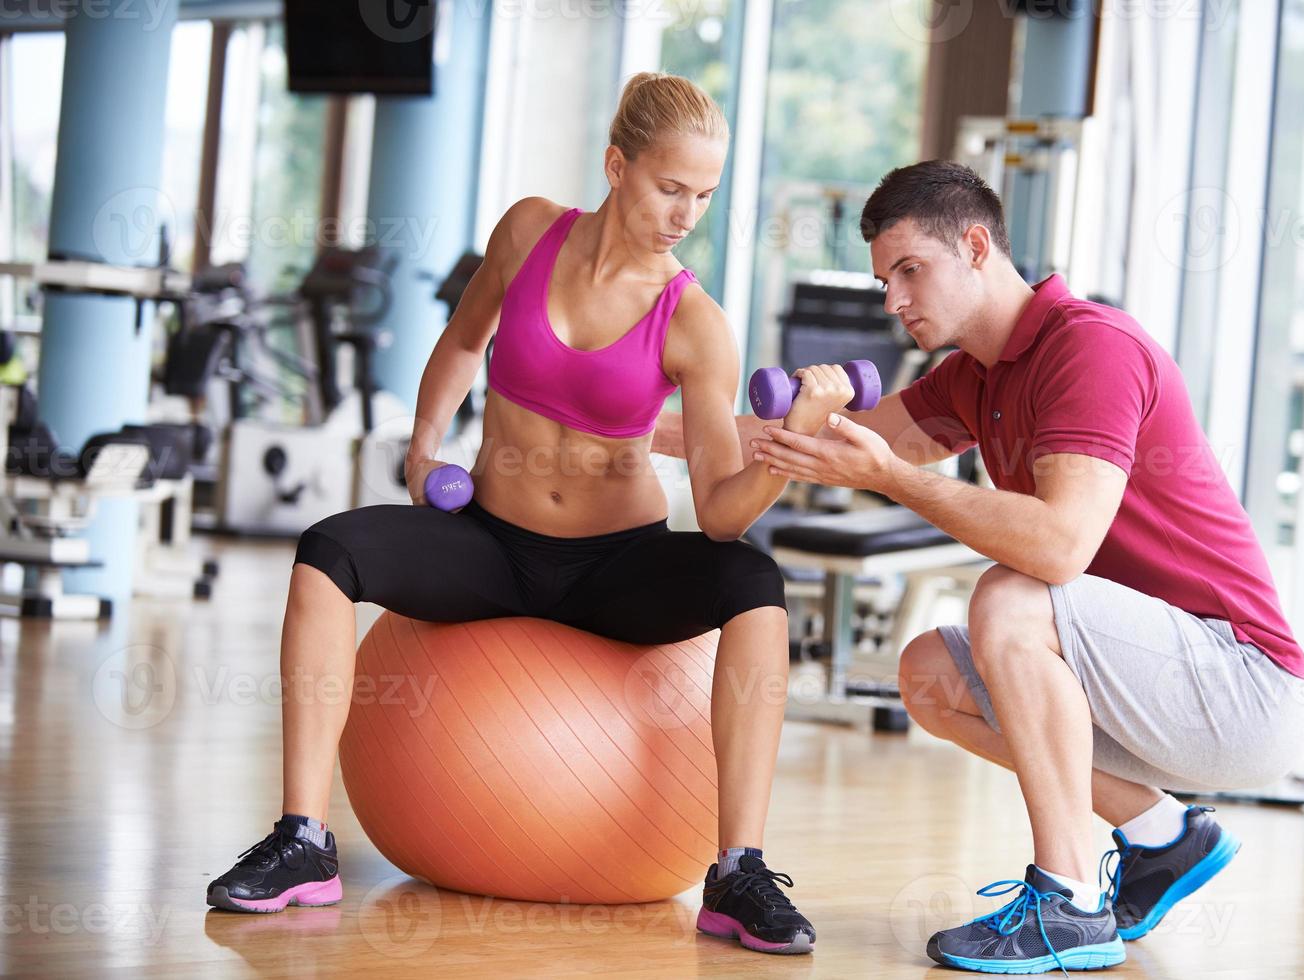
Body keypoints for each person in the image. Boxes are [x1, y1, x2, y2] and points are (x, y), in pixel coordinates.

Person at [206, 73, 850, 956]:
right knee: (327, 551)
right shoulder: (528, 232)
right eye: (670, 187)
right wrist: (425, 445)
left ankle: (738, 870)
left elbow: (722, 514)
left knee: (752, 579)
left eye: (704, 195)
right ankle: (303, 840)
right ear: (617, 164)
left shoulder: (696, 321)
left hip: (614, 567)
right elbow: (466, 339)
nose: (685, 213)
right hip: (492, 545)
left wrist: (790, 443)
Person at [657, 159, 1304, 974]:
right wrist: (616, 423)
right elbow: (818, 450)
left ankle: (1070, 901)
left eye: (910, 271)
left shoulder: (1091, 348)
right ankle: (1162, 835)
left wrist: (896, 478)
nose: (893, 301)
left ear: (975, 245)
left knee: (1010, 594)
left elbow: (1056, 547)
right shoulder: (974, 378)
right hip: (1153, 679)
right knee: (930, 673)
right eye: (884, 279)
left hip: (1241, 685)